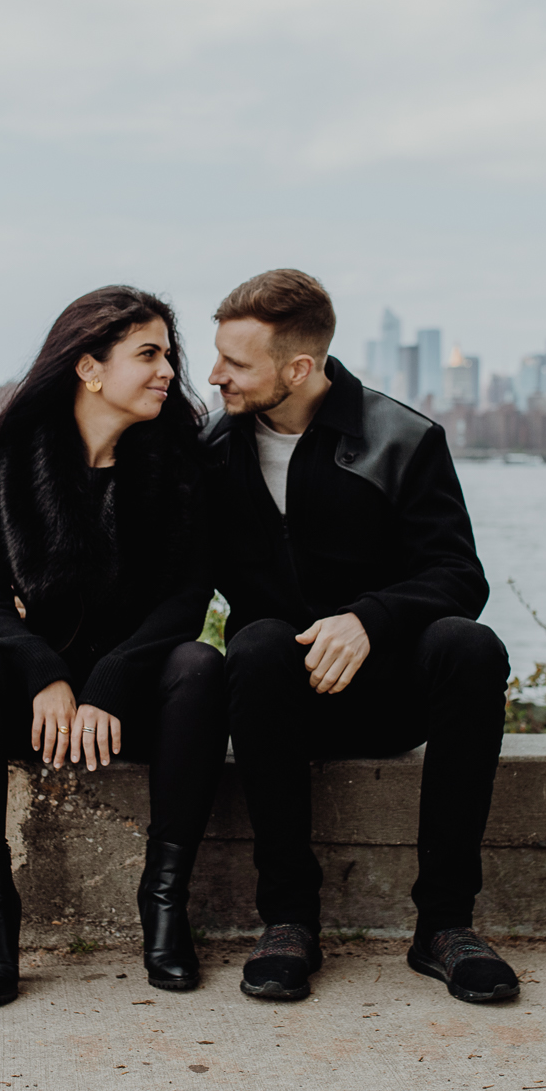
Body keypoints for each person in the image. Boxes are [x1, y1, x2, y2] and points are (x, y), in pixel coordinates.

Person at [203, 269, 517, 1005]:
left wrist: (369, 618)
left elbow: (459, 574)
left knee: (471, 647)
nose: (214, 375)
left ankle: (445, 926)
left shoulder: (401, 437)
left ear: (299, 368)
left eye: (236, 363)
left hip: (390, 692)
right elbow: (171, 581)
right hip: (277, 699)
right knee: (252, 640)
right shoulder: (212, 451)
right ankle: (288, 921)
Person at [0, 286, 227, 1008]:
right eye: (148, 354)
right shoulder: (12, 463)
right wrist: (47, 675)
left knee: (201, 666)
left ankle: (164, 907)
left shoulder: (180, 465)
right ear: (90, 367)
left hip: (139, 693)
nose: (166, 370)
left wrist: (113, 678)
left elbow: (187, 602)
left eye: (168, 355)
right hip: (40, 700)